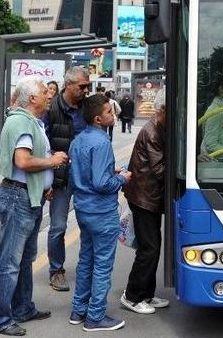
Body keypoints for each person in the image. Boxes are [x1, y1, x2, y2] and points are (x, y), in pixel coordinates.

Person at [0, 77, 67, 336]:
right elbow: (22, 161)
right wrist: (53, 161)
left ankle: (23, 308)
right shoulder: (21, 121)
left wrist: (45, 184)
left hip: (27, 196)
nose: (49, 96)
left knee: (24, 259)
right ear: (32, 98)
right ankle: (0, 319)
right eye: (45, 92)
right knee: (9, 262)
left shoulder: (30, 121)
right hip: (17, 198)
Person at [68, 94, 132, 331]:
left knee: (86, 260)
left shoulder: (79, 139)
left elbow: (85, 173)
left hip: (83, 209)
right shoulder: (102, 142)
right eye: (108, 112)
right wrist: (121, 178)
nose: (113, 114)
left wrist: (108, 170)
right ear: (97, 119)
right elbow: (102, 183)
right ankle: (95, 317)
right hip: (102, 211)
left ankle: (79, 310)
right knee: (103, 265)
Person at [42, 67, 90, 292]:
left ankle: (87, 267)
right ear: (68, 84)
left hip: (84, 177)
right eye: (82, 86)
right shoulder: (51, 108)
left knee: (89, 224)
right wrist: (48, 180)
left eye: (87, 86)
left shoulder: (88, 108)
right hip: (60, 178)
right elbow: (43, 145)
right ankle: (56, 270)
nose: (85, 90)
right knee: (58, 226)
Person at [121, 90, 169, 314]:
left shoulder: (158, 128)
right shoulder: (151, 132)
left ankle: (147, 295)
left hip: (148, 197)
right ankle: (132, 296)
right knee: (148, 249)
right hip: (144, 198)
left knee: (152, 246)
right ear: (162, 110)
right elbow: (160, 170)